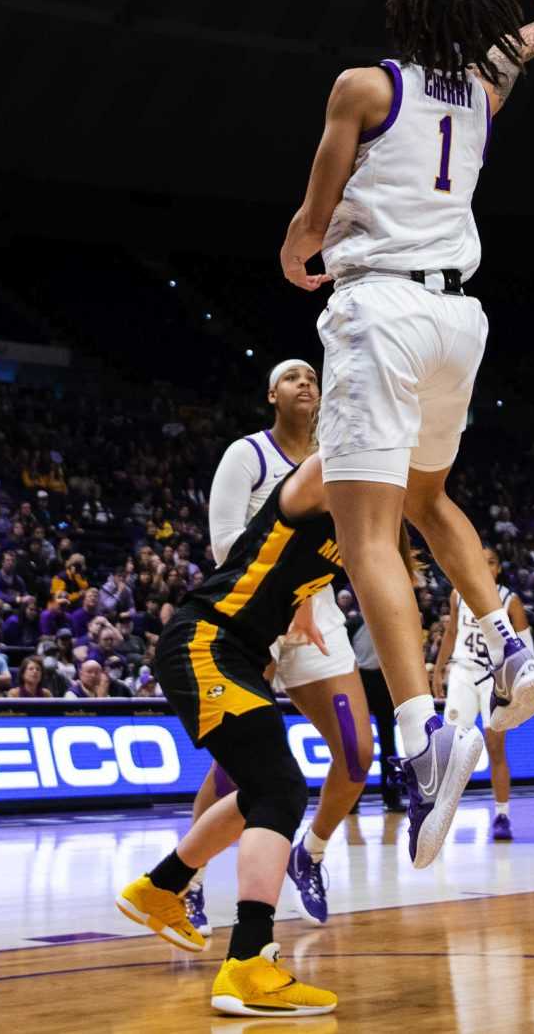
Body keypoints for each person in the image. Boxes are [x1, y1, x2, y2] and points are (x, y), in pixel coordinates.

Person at [276, 0, 534, 866]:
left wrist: (299, 250)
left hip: (382, 307)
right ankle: (501, 640)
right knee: (428, 498)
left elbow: (317, 206)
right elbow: (517, 51)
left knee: (368, 533)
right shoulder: (485, 97)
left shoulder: (366, 85)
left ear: (406, 17)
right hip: (461, 317)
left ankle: (421, 733)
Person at [117, 455, 346, 1016]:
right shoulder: (322, 477)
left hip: (236, 651)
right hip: (206, 640)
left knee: (259, 794)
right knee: (281, 791)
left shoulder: (363, 521)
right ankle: (248, 961)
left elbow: (293, 576)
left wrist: (300, 610)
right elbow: (344, 434)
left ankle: (161, 887)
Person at [183, 357, 374, 930]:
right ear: (271, 394)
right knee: (237, 767)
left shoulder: (337, 465)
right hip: (251, 620)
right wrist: (285, 600)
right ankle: (187, 880)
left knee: (358, 754)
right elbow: (224, 546)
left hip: (317, 618)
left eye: (312, 377)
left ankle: (309, 853)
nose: (307, 382)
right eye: (293, 377)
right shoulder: (248, 455)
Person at [431, 546, 534, 841]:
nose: (485, 567)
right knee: (450, 747)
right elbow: (451, 632)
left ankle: (502, 815)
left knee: (495, 747)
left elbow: (526, 647)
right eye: (481, 561)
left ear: (498, 568)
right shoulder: (458, 593)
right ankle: (439, 816)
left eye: (491, 562)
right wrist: (439, 669)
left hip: (494, 677)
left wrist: (519, 682)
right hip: (463, 672)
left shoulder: (509, 600)